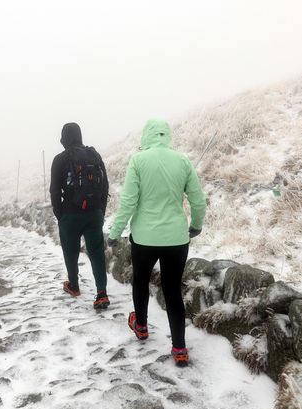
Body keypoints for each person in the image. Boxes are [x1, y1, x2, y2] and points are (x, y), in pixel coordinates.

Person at [107, 119, 206, 367]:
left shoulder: (138, 161)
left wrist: (115, 232)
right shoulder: (182, 160)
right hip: (176, 238)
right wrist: (196, 225)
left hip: (145, 238)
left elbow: (128, 202)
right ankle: (180, 347)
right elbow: (197, 199)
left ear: (147, 136)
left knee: (140, 280)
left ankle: (140, 326)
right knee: (172, 289)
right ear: (167, 135)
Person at [50, 122, 110, 310]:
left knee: (71, 251)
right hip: (94, 213)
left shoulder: (59, 159)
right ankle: (101, 293)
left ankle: (74, 286)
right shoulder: (94, 155)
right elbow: (105, 184)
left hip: (70, 214)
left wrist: (60, 214)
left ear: (64, 138)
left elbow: (54, 191)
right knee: (97, 252)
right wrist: (101, 210)